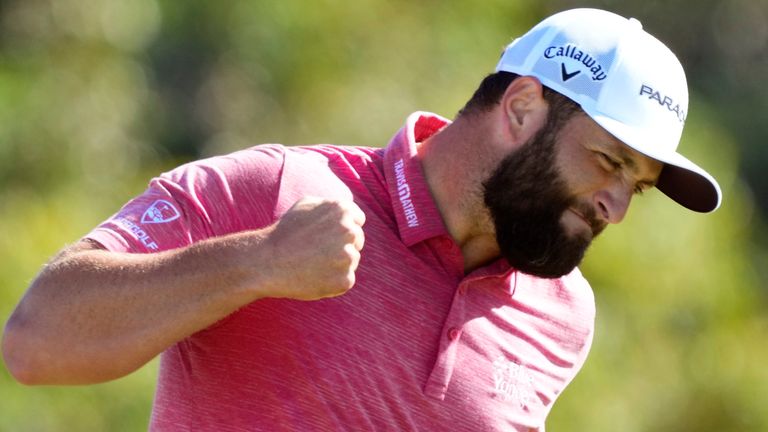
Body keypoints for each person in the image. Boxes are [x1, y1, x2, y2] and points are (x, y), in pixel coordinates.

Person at [2, 8, 721, 432]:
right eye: (609, 161)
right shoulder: (280, 189)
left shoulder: (563, 316)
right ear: (523, 108)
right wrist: (258, 263)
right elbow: (36, 343)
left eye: (640, 185)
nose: (618, 207)